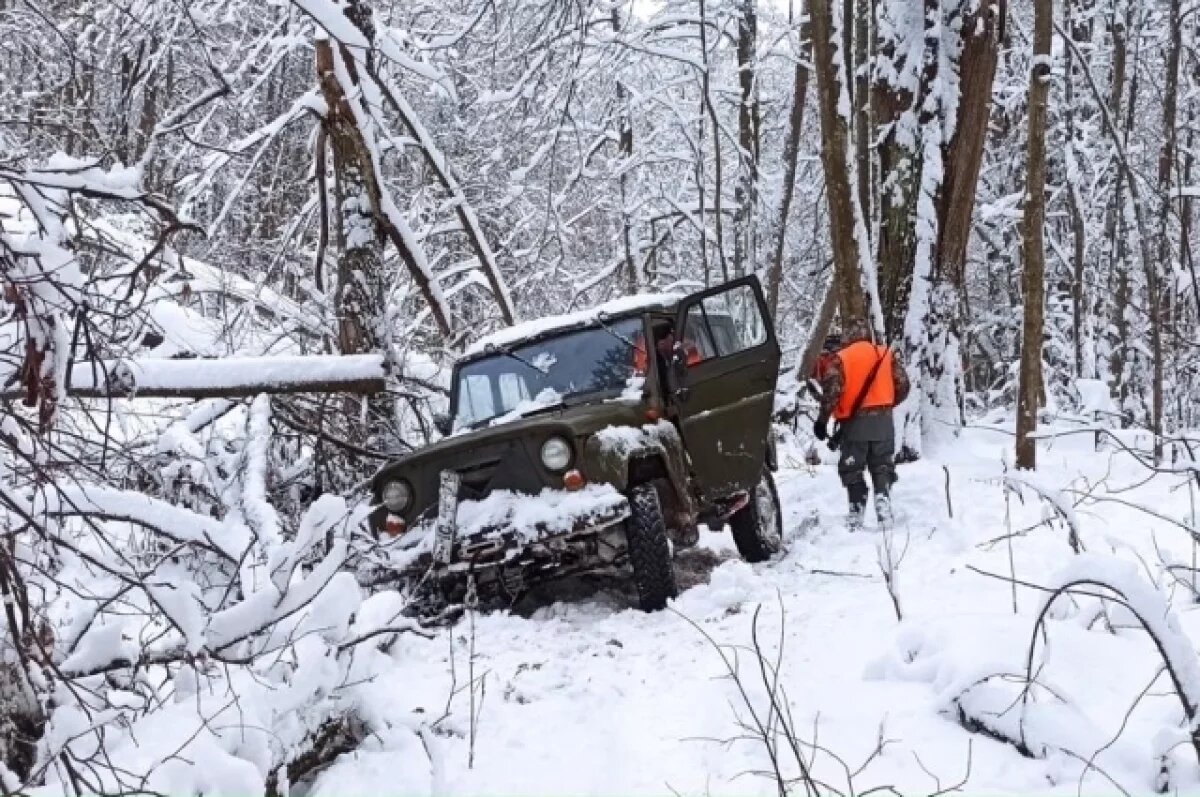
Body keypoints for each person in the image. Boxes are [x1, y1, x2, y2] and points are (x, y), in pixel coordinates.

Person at [812, 319, 910, 530]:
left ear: (847, 337)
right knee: (882, 464)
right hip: (884, 423)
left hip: (854, 426)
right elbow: (903, 385)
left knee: (852, 468)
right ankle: (883, 499)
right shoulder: (884, 354)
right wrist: (886, 403)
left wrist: (822, 421)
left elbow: (832, 393)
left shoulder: (840, 359)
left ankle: (857, 509)